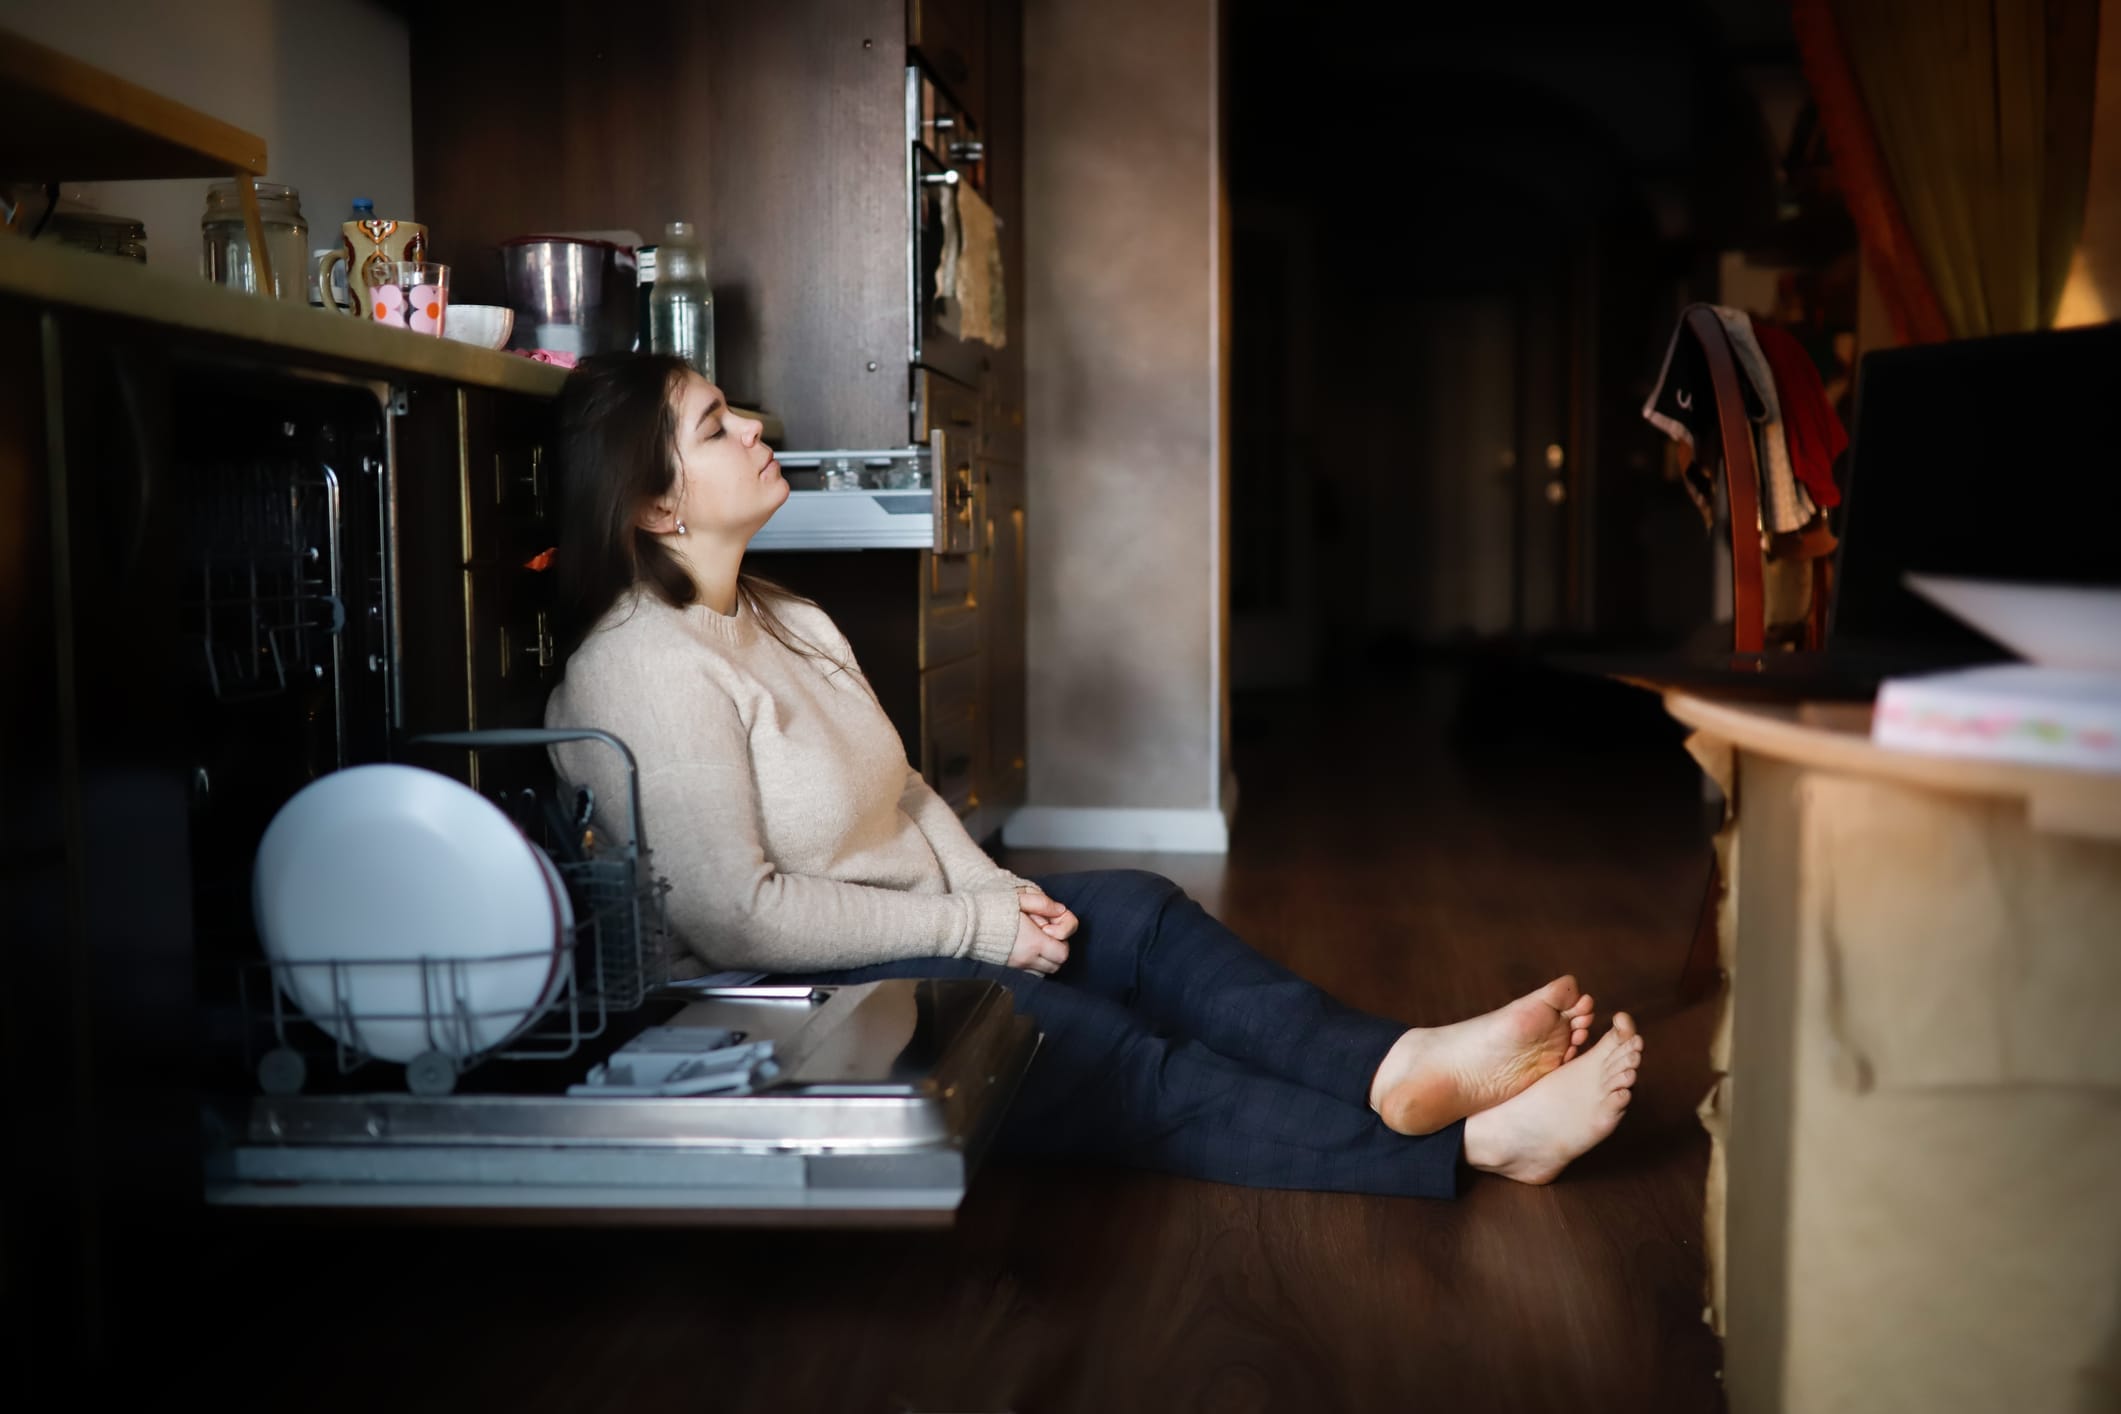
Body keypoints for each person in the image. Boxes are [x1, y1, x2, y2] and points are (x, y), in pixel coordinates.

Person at [544, 354, 1644, 1198]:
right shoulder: (640, 669)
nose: (753, 428)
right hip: (801, 1000)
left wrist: (992, 897)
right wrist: (977, 934)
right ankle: (1475, 1144)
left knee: (1139, 914)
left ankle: (1402, 1061)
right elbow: (738, 918)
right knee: (1105, 1048)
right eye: (715, 426)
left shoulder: (789, 617)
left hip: (917, 934)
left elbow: (909, 791)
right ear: (656, 505)